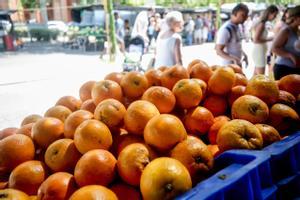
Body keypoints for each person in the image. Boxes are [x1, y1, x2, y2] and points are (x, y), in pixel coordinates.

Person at [271, 5, 300, 80]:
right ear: (296, 17)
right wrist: (290, 55)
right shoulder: (286, 30)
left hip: (295, 69)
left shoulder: (297, 31)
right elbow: (274, 48)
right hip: (284, 69)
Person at [251, 5, 279, 75]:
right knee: (261, 77)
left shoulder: (263, 23)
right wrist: (270, 38)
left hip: (260, 52)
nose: (274, 17)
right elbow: (256, 40)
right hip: (259, 52)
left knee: (256, 76)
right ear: (269, 13)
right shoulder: (262, 24)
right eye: (274, 15)